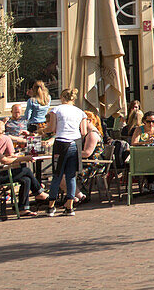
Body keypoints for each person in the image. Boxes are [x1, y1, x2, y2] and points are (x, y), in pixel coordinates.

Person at [0, 120, 44, 217]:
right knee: (26, 170)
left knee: (26, 179)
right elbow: (4, 161)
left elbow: (1, 160)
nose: (3, 134)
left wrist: (15, 157)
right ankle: (38, 192)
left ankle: (23, 208)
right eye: (2, 132)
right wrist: (24, 158)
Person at [45, 88, 85, 216]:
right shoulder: (81, 112)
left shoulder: (56, 110)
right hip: (75, 143)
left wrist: (42, 131)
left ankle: (51, 206)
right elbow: (83, 132)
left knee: (57, 175)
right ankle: (70, 206)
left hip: (61, 143)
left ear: (62, 97)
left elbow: (52, 128)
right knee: (71, 176)